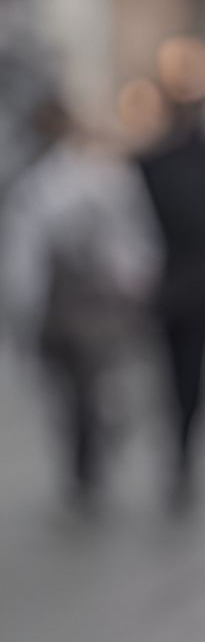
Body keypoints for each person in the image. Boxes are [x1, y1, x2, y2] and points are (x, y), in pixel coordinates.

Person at [0, 93, 162, 510]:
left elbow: (131, 240)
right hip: (58, 306)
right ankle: (81, 461)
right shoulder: (32, 183)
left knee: (95, 385)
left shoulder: (103, 176)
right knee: (65, 389)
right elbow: (23, 256)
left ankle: (92, 455)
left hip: (96, 304)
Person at [136, 83, 205, 509]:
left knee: (188, 376)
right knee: (182, 375)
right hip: (179, 285)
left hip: (187, 285)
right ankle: (181, 448)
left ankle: (183, 449)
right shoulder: (157, 164)